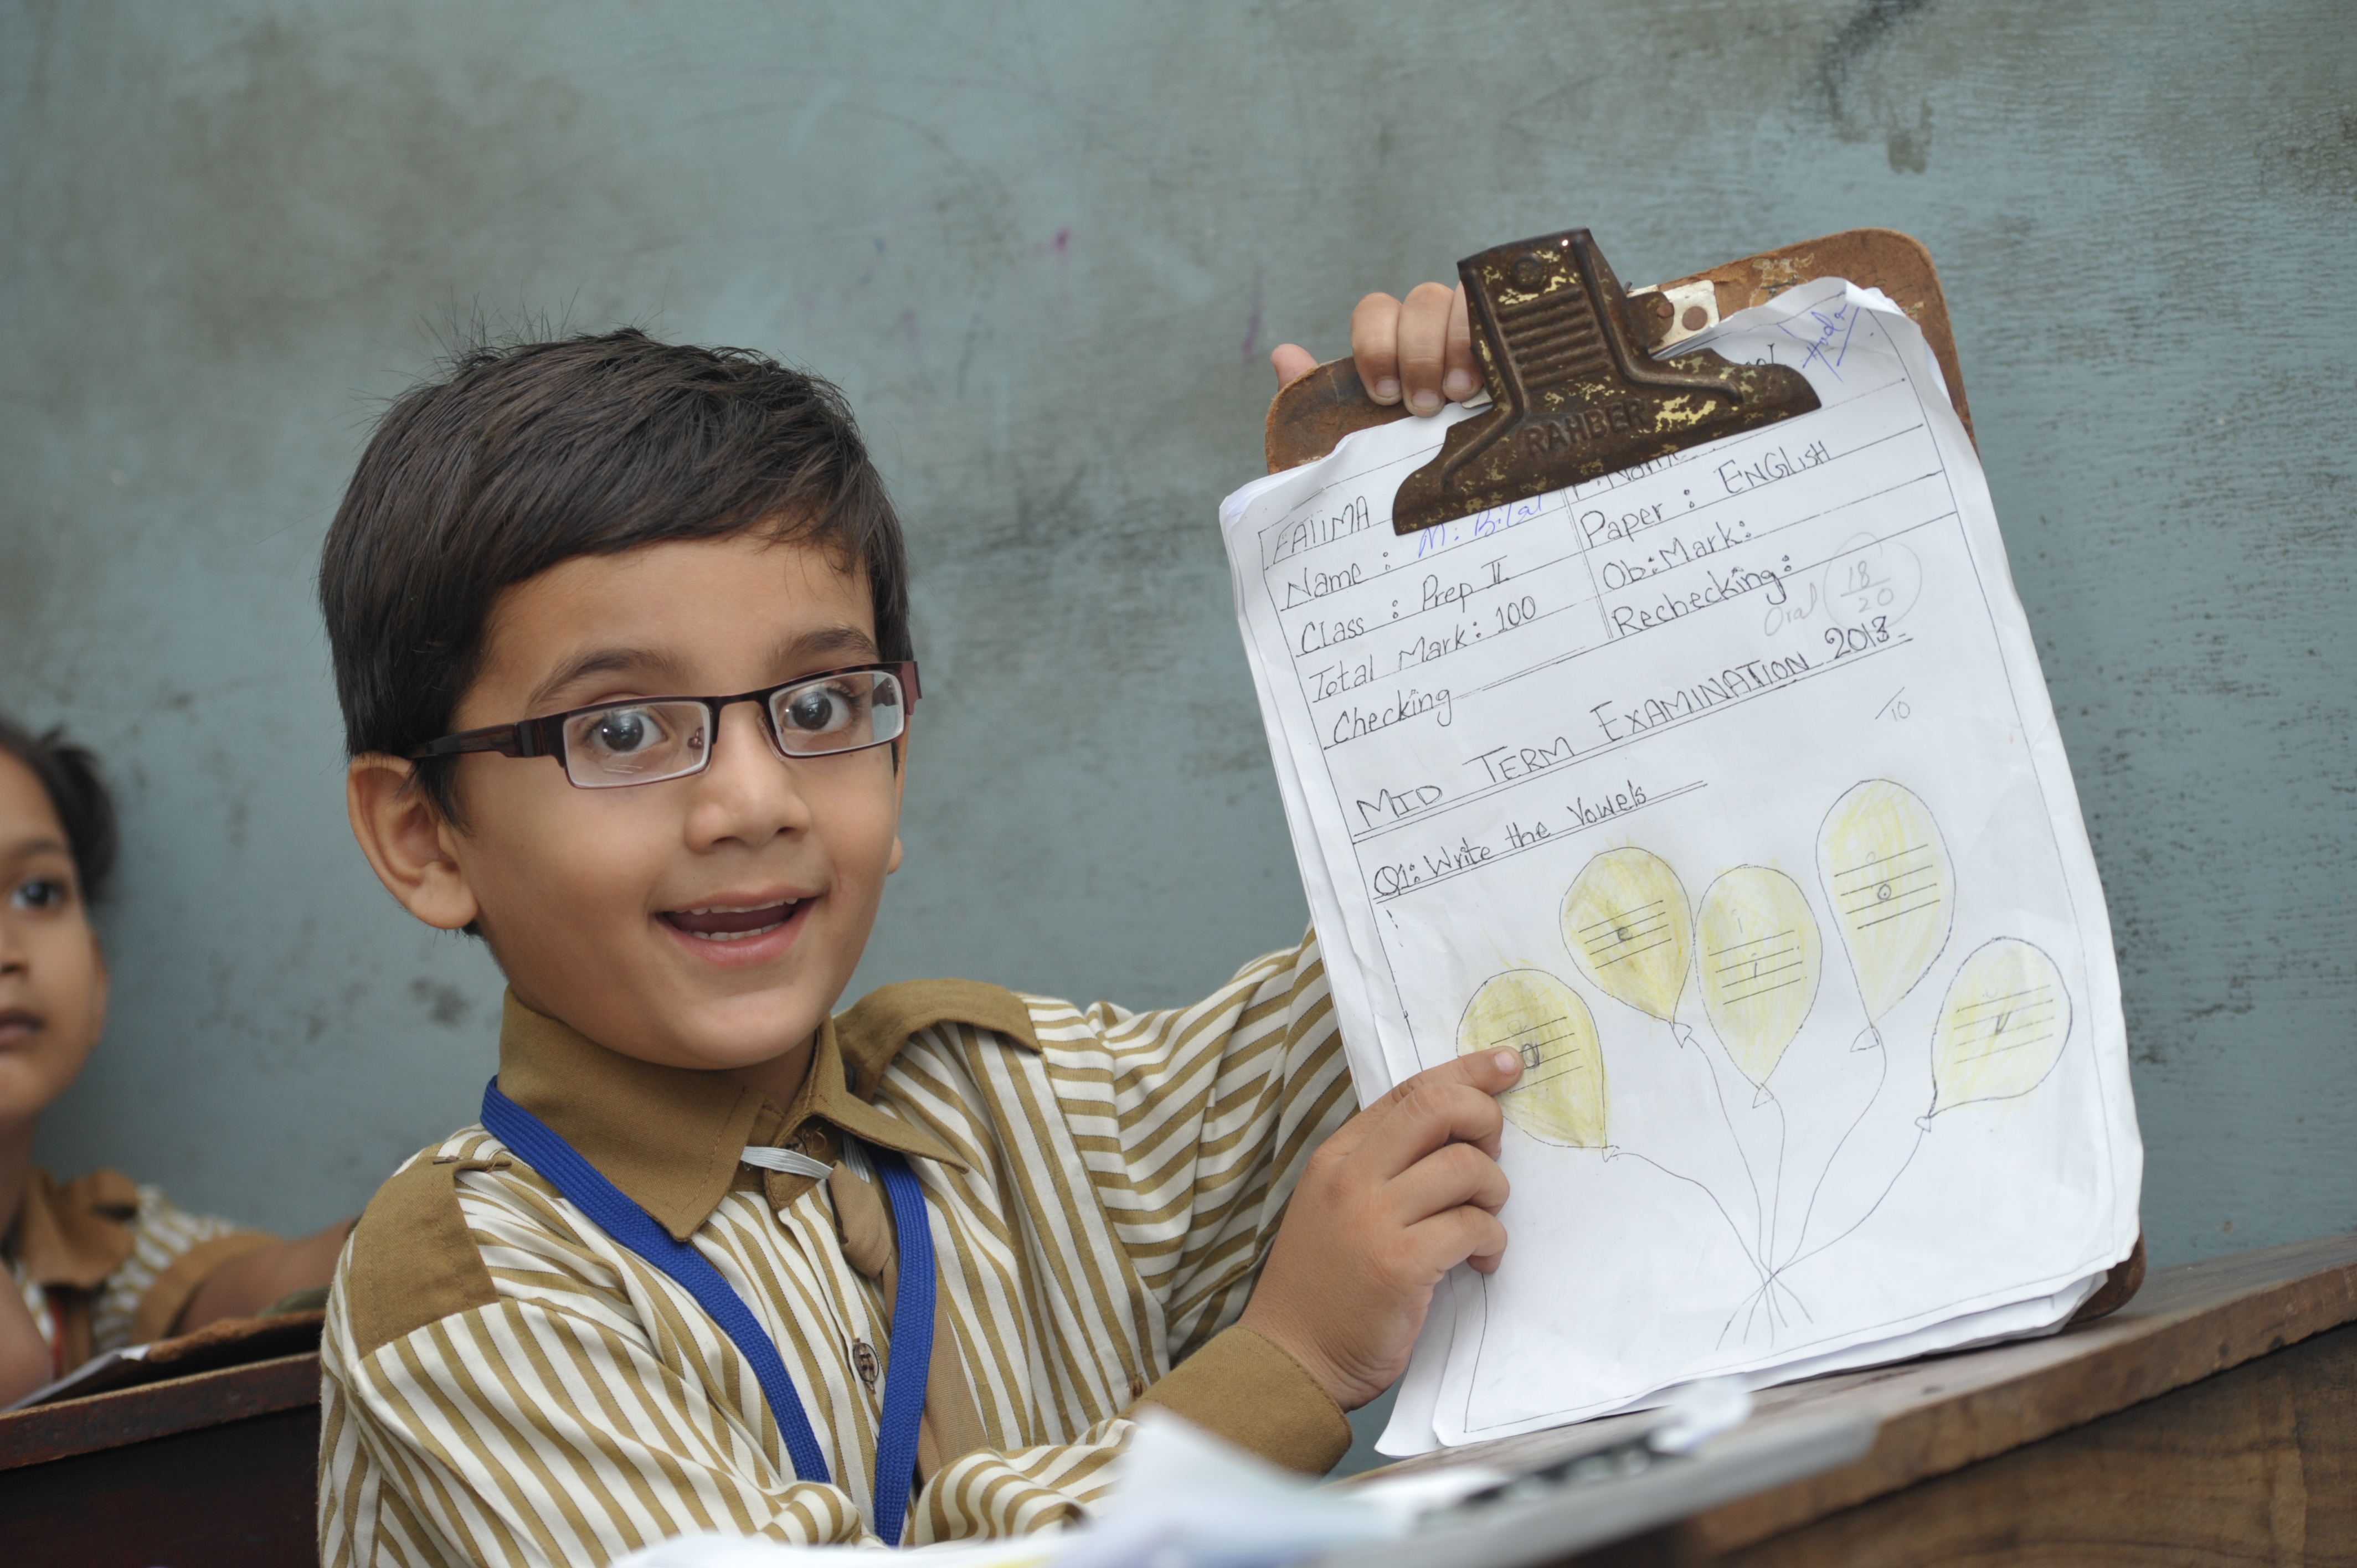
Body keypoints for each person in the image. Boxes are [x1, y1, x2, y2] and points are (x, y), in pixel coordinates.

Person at [318, 287, 1494, 1561]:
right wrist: (1287, 1363)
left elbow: (1443, 947)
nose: (755, 801)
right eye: (621, 729)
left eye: (821, 707)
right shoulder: (473, 1282)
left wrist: (1438, 535)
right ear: (423, 836)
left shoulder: (1025, 1107)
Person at [0, 716, 354, 1406]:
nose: (7, 949)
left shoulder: (93, 1255)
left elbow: (265, 1290)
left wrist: (462, 1227)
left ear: (98, 979)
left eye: (36, 893)